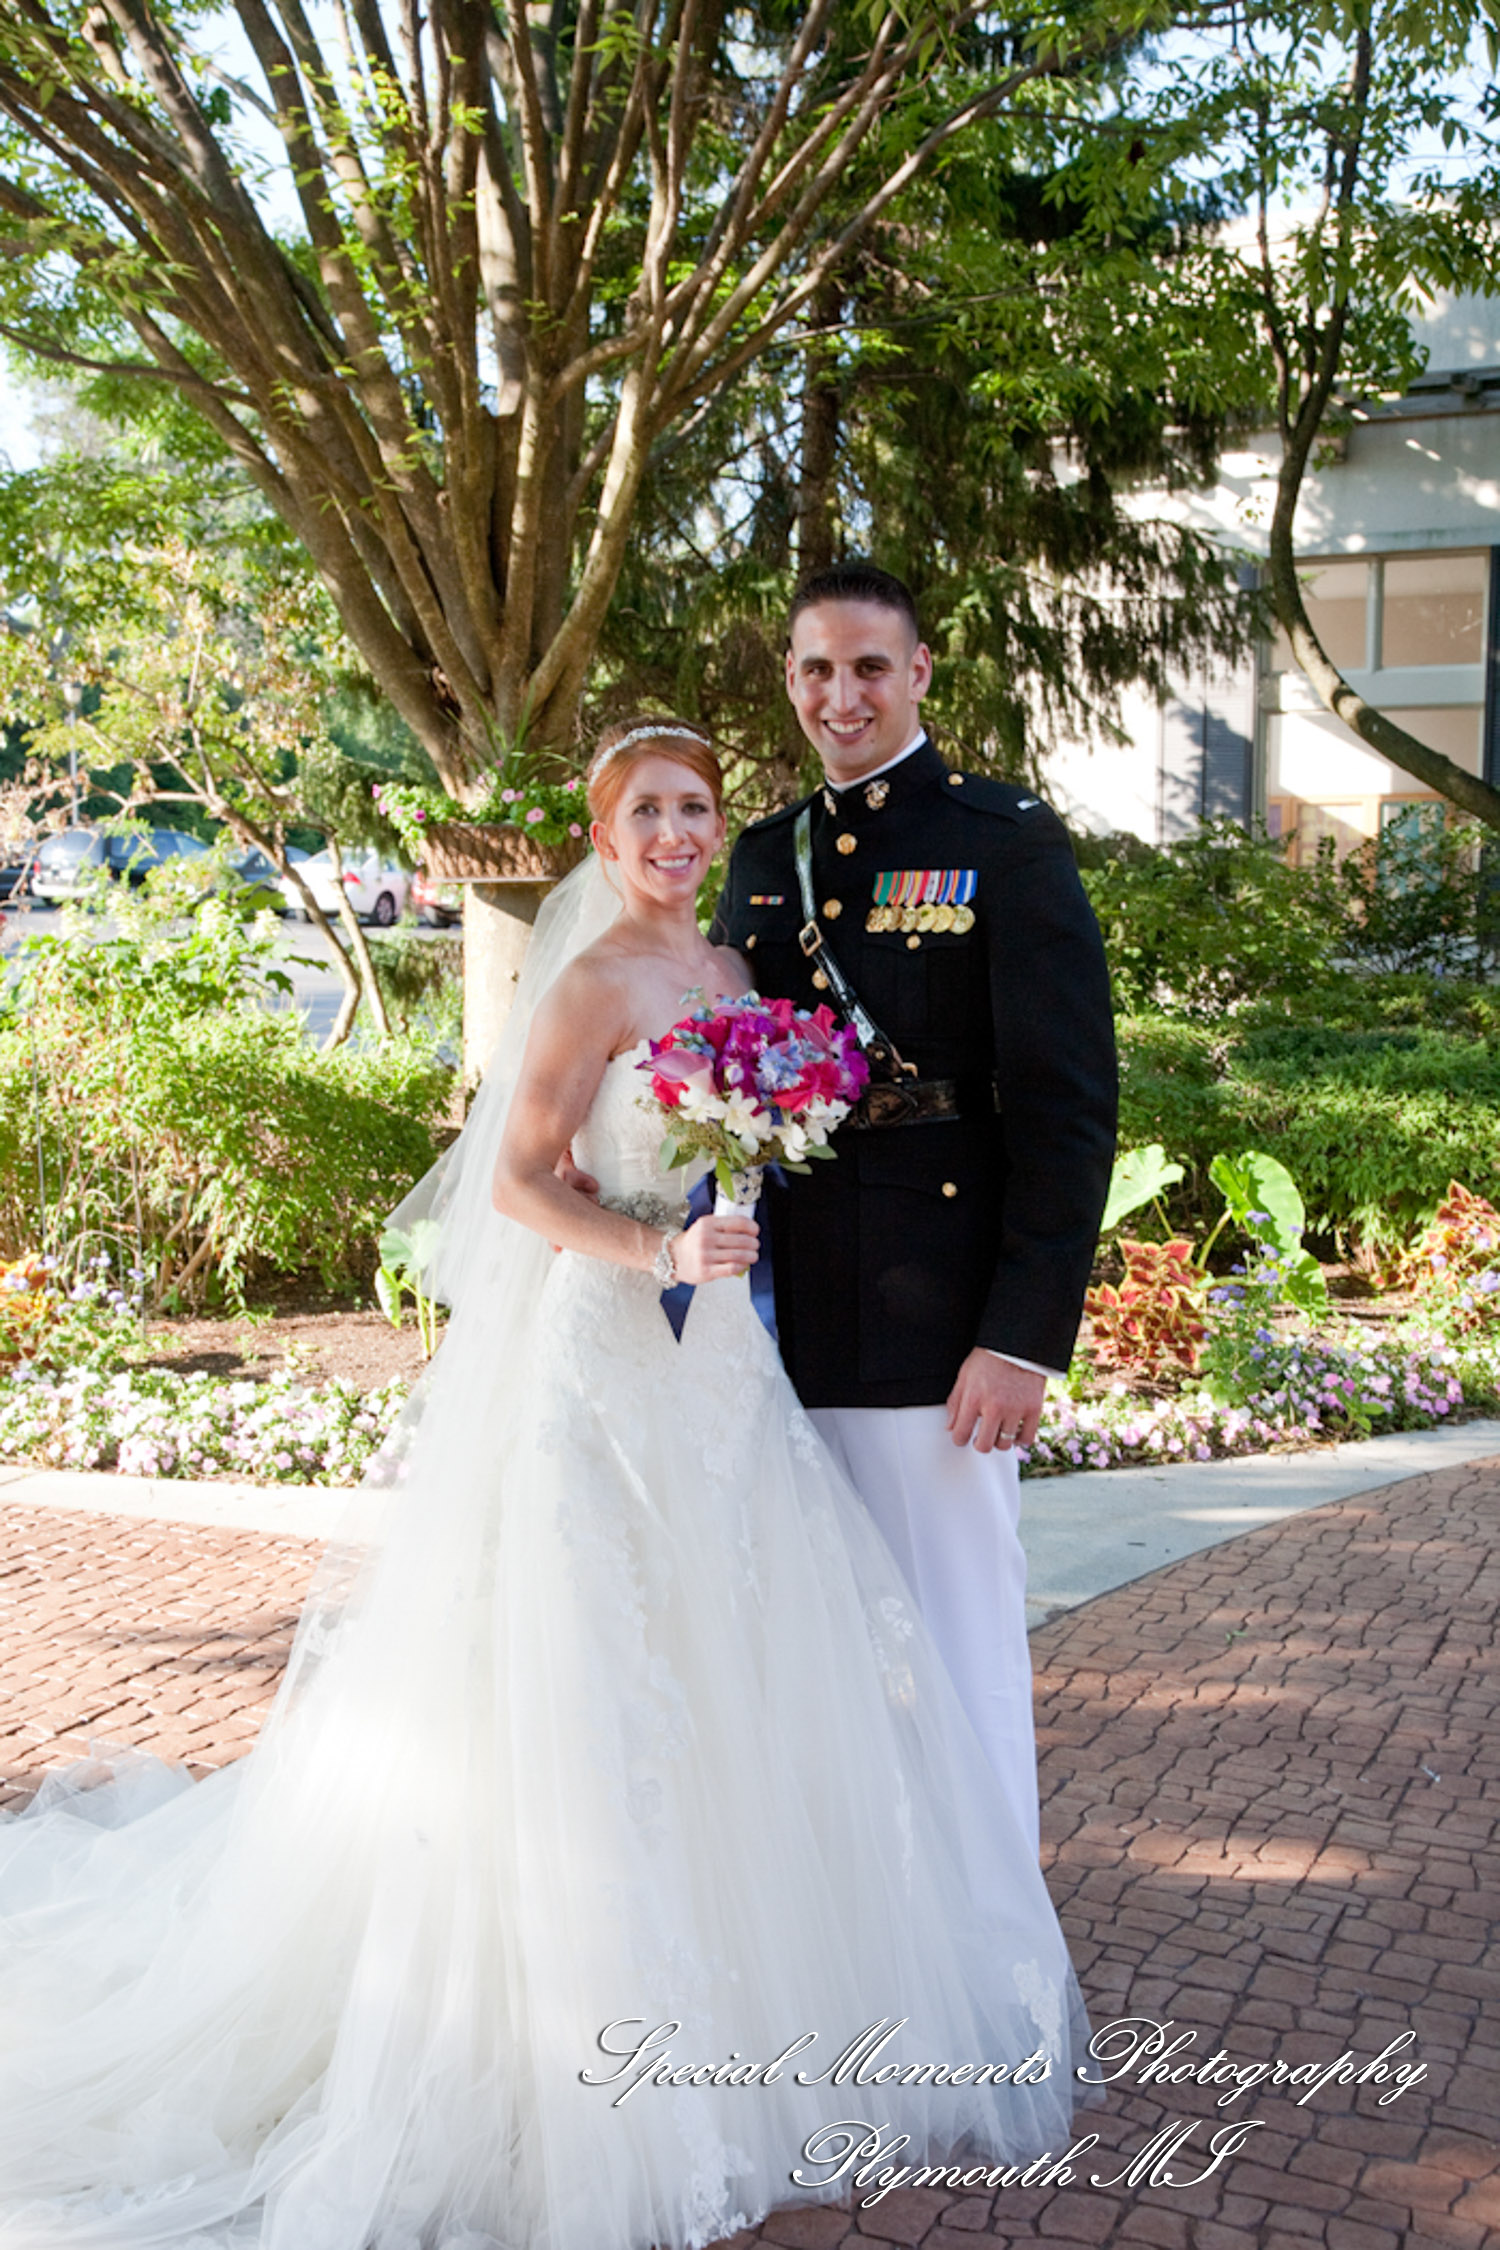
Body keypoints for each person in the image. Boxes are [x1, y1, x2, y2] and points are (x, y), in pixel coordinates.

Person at [0, 719, 1091, 2250]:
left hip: (717, 1367)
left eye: (695, 806)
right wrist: (656, 1246)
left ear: (718, 827)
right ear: (602, 831)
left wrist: (747, 1197)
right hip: (603, 1358)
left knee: (742, 1664)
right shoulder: (582, 986)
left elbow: (773, 1140)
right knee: (598, 1669)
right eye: (644, 809)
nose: (672, 830)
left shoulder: (732, 979)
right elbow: (519, 1180)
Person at [711, 565, 1117, 1855]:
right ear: (790, 679)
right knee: (805, 1657)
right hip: (783, 1313)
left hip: (940, 1327)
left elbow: (1065, 1108)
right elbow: (717, 1063)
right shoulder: (764, 855)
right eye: (817, 669)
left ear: (922, 672)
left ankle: (995, 1948)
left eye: (870, 667)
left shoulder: (1002, 842)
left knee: (960, 1650)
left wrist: (1021, 1336)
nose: (843, 695)